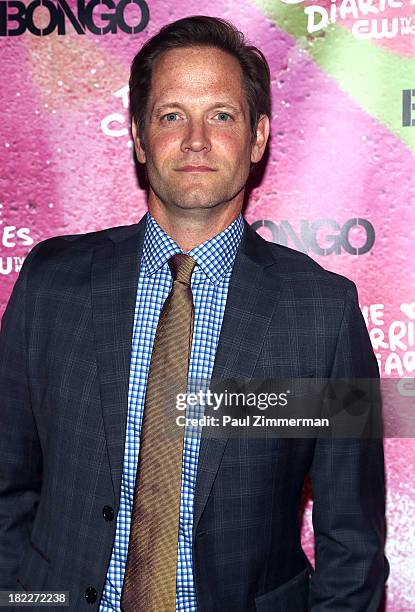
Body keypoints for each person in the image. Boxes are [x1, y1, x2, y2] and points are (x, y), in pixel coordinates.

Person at [0, 15, 388, 612]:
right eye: (172, 114)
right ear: (137, 136)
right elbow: (7, 489)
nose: (197, 140)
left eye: (222, 115)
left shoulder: (322, 315)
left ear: (258, 138)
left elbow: (352, 547)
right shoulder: (52, 285)